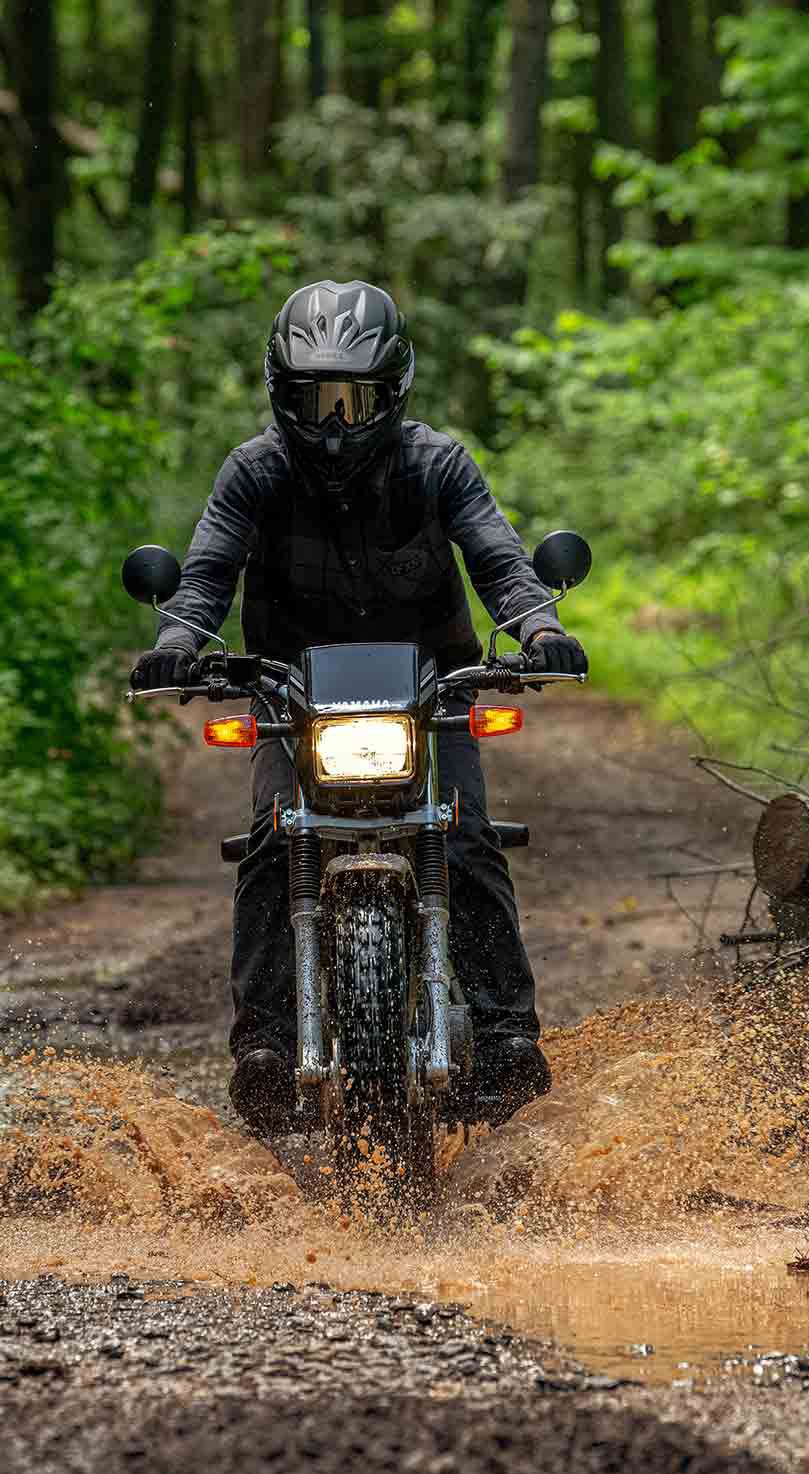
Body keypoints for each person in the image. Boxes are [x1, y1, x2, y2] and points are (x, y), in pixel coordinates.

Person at [129, 279, 589, 1135]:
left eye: (357, 399)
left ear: (395, 391)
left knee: (469, 837)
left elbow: (498, 558)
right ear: (281, 393)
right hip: (290, 691)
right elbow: (206, 573)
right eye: (316, 400)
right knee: (273, 844)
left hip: (431, 688)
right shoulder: (255, 471)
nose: (336, 424)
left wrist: (537, 623)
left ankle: (506, 1036)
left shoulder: (437, 463)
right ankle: (263, 1049)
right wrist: (179, 639)